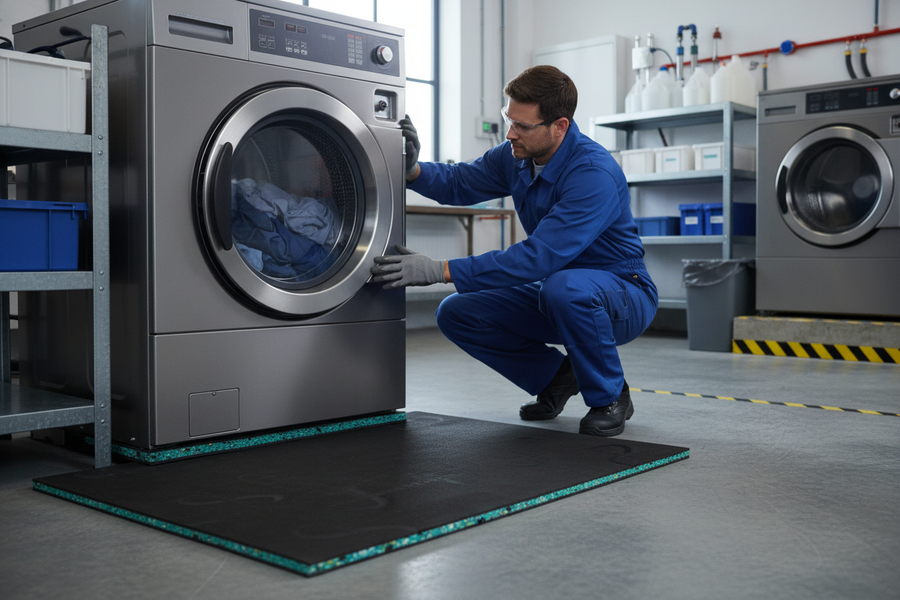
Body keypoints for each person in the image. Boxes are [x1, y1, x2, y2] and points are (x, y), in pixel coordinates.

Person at [371, 65, 658, 437]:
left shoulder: (592, 174)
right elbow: (460, 182)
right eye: (510, 119)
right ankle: (556, 378)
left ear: (560, 127)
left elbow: (540, 256)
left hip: (622, 292)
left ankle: (610, 396)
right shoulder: (515, 155)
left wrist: (439, 270)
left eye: (523, 126)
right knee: (457, 312)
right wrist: (412, 171)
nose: (510, 133)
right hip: (557, 288)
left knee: (564, 288)